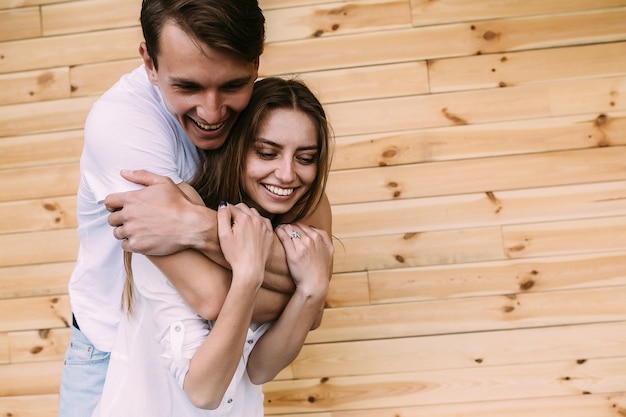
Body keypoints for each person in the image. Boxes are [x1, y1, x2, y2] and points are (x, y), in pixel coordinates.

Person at [59, 1, 332, 416]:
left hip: (223, 369)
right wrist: (304, 293)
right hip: (113, 351)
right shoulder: (124, 126)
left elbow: (270, 338)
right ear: (150, 63)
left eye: (231, 86)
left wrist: (196, 226)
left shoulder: (261, 125)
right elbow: (209, 296)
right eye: (187, 87)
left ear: (255, 64)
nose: (212, 112)